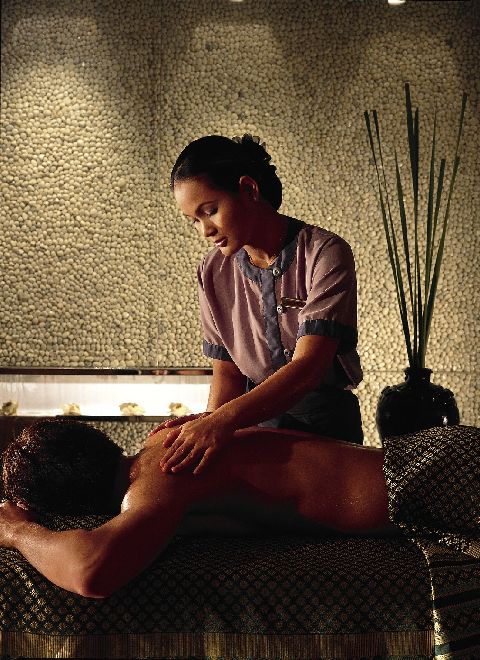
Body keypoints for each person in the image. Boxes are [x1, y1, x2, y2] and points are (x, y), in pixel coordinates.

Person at [156, 134, 364, 476]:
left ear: (249, 190)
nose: (205, 230)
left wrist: (221, 422)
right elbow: (227, 374)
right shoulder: (212, 271)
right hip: (250, 428)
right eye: (194, 220)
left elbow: (309, 366)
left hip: (325, 428)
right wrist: (206, 436)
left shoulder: (324, 253)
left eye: (210, 211)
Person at [0, 418, 392, 598]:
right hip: (407, 466)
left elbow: (90, 572)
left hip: (415, 487)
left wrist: (18, 531)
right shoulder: (165, 440)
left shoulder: (158, 480)